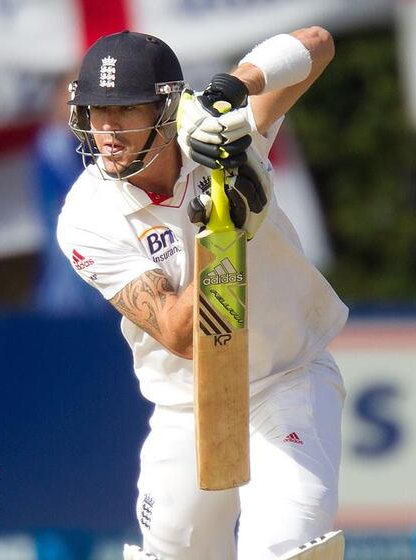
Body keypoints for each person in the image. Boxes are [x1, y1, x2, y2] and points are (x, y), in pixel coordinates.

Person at [56, 29, 347, 559]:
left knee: (282, 549)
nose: (107, 130)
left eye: (125, 111)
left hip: (285, 379)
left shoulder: (215, 128)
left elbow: (319, 44)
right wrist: (231, 229)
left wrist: (237, 85)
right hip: (182, 405)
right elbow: (179, 333)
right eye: (96, 111)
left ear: (167, 110)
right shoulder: (86, 217)